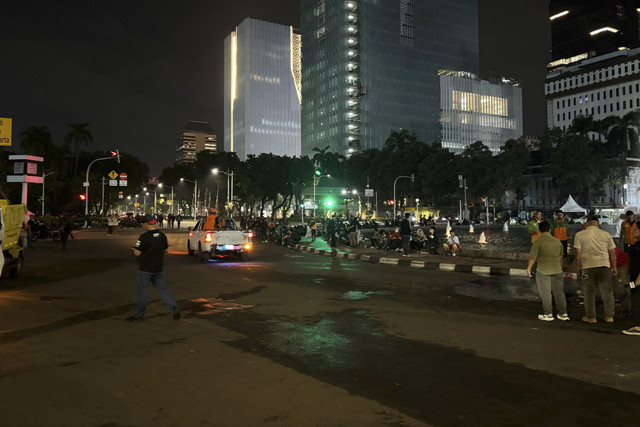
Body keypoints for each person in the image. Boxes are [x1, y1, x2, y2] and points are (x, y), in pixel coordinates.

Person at [128, 214, 180, 322]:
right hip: (158, 267)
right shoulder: (162, 235)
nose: (143, 226)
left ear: (146, 224)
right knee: (162, 289)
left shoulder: (144, 237)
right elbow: (165, 248)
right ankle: (173, 306)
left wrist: (133, 248)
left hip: (145, 268)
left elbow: (137, 253)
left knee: (143, 291)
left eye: (143, 224)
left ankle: (139, 315)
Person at [574, 215, 617, 324]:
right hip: (604, 265)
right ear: (598, 225)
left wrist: (579, 266)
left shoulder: (579, 235)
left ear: (586, 225)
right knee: (607, 292)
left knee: (589, 292)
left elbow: (578, 252)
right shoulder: (605, 234)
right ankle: (609, 316)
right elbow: (612, 252)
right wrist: (614, 267)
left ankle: (591, 317)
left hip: (588, 266)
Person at [527, 221, 568, 321]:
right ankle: (563, 314)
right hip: (557, 269)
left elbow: (533, 257)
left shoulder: (538, 242)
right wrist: (559, 267)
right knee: (559, 292)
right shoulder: (557, 241)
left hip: (543, 270)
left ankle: (548, 314)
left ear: (539, 230)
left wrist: (528, 269)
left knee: (545, 292)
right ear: (550, 230)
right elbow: (561, 256)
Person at [623, 225, 640, 335]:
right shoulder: (636, 245)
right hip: (633, 276)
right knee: (634, 299)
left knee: (637, 301)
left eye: (636, 229)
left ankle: (638, 327)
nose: (633, 231)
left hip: (638, 278)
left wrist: (639, 279)